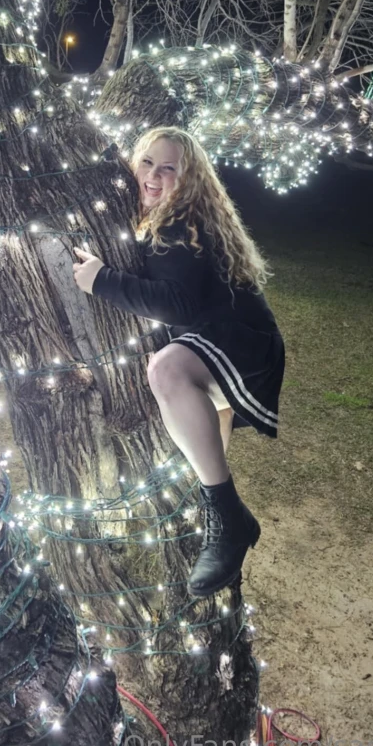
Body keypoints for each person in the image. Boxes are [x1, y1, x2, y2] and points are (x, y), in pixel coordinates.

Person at [72, 126, 284, 598]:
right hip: (239, 339)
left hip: (238, 343)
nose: (154, 175)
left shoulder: (177, 223)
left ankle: (229, 519)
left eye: (169, 168)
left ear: (189, 179)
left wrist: (100, 279)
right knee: (199, 426)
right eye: (147, 162)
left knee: (167, 370)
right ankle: (213, 516)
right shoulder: (170, 217)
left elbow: (178, 303)